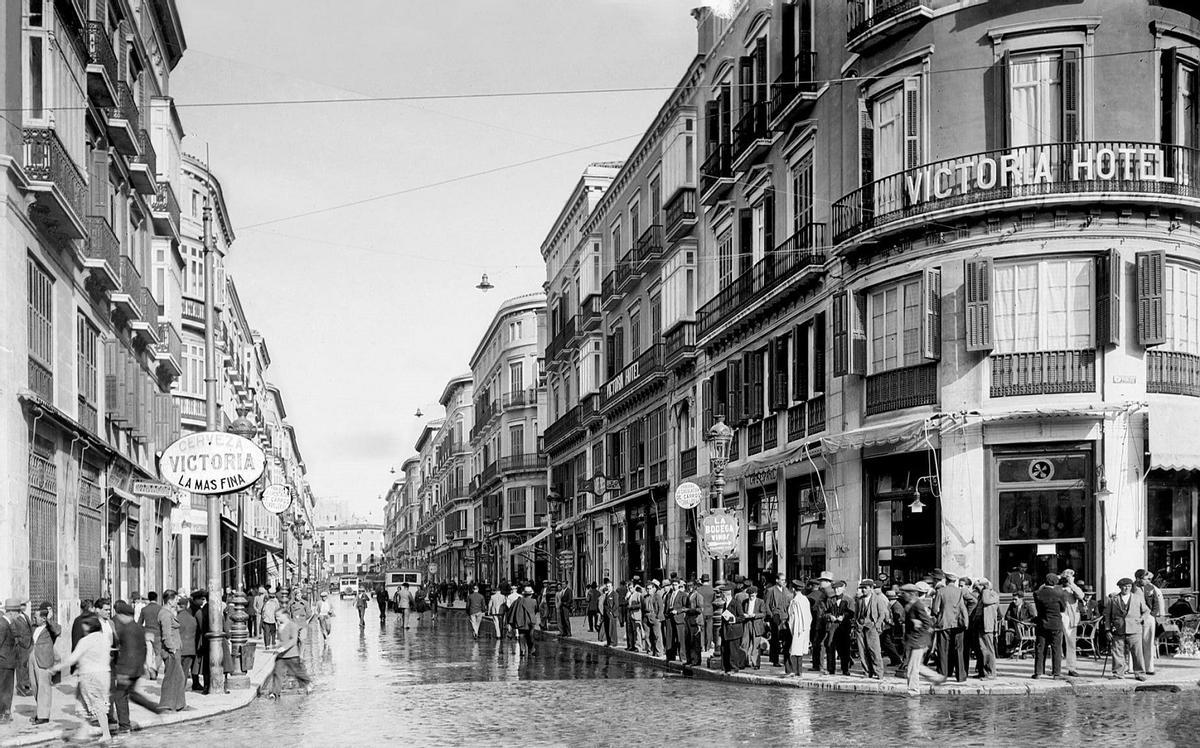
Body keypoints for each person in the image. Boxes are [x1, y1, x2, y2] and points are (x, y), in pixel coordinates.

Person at [52, 606, 112, 743]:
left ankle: (106, 734)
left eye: (85, 625)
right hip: (104, 674)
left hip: (90, 676)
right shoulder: (104, 638)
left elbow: (72, 658)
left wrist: (56, 667)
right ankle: (83, 732)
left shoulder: (86, 641)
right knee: (83, 703)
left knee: (96, 705)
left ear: (89, 626)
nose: (83, 628)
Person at [110, 600, 158, 733]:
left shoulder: (127, 630)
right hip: (136, 669)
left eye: (120, 615)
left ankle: (124, 726)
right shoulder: (138, 628)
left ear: (125, 615)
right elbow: (143, 649)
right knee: (131, 694)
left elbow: (129, 652)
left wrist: (123, 671)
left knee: (120, 696)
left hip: (127, 669)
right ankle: (155, 708)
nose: (118, 618)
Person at [899, 584, 947, 696]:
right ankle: (937, 678)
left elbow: (927, 623)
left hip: (918, 641)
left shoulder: (918, 605)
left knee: (912, 668)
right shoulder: (911, 604)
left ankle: (913, 692)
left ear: (911, 594)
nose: (902, 595)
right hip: (913, 640)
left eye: (904, 593)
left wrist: (917, 626)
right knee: (915, 666)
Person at [1105, 577, 1150, 681]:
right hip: (1118, 629)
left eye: (1129, 586)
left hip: (1134, 629)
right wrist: (1107, 630)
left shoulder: (1137, 598)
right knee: (1117, 652)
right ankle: (1118, 674)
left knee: (1137, 652)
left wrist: (1142, 619)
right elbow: (1107, 616)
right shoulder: (1113, 600)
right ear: (1120, 587)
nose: (1126, 588)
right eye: (1124, 586)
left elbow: (1146, 611)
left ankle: (1139, 673)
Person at [930, 570, 968, 683]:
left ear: (946, 580)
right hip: (958, 624)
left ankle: (943, 675)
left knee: (943, 650)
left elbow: (935, 609)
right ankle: (961, 676)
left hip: (944, 623)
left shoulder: (941, 591)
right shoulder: (959, 592)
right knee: (959, 650)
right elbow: (962, 607)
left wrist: (938, 614)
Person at [269, 609, 313, 699]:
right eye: (276, 616)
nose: (276, 618)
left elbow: (293, 640)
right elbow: (281, 640)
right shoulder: (280, 625)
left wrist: (283, 648)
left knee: (297, 673)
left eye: (278, 616)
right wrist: (277, 648)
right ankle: (275, 693)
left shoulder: (292, 625)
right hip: (281, 656)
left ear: (285, 615)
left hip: (291, 655)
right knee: (277, 673)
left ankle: (307, 683)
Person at [26, 602, 58, 724]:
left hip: (44, 659)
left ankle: (43, 716)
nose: (34, 619)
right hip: (33, 657)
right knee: (35, 687)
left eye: (36, 617)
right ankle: (40, 711)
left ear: (44, 618)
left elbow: (57, 630)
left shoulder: (51, 628)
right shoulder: (35, 627)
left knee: (44, 687)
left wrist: (49, 620)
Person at [1033, 573, 1067, 679]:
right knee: (1056, 649)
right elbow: (1063, 608)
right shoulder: (1059, 594)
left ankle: (1038, 672)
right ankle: (1056, 673)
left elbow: (1038, 607)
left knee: (1040, 648)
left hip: (1042, 623)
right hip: (1056, 624)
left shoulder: (1037, 593)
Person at [157, 590, 186, 712]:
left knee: (179, 677)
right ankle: (166, 704)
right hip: (171, 651)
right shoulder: (165, 614)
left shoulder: (168, 613)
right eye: (175, 600)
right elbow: (166, 635)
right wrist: (172, 649)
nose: (177, 602)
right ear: (170, 601)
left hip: (174, 649)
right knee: (172, 677)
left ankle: (178, 704)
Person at [855, 579, 890, 680]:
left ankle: (879, 673)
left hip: (872, 627)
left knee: (874, 650)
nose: (863, 590)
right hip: (861, 627)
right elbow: (856, 614)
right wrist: (857, 624)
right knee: (862, 651)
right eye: (862, 588)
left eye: (865, 588)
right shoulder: (860, 600)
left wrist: (877, 624)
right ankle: (867, 672)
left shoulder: (878, 599)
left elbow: (882, 614)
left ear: (871, 588)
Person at [820, 581, 853, 676]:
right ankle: (830, 669)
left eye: (839, 588)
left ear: (844, 589)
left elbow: (852, 613)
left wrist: (844, 617)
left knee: (845, 648)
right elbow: (823, 613)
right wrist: (830, 616)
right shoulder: (830, 600)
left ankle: (845, 669)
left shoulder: (849, 600)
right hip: (832, 626)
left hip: (844, 626)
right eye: (835, 589)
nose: (836, 590)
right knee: (830, 646)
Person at [1135, 569, 1164, 675]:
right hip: (1136, 618)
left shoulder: (1150, 587)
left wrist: (1152, 615)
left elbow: (1156, 602)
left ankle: (1149, 668)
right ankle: (1134, 668)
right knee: (1135, 644)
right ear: (1138, 579)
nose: (1148, 580)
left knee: (1149, 642)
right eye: (1146, 579)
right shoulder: (1132, 588)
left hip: (1148, 617)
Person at [0, 599, 25, 724]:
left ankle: (5, 712)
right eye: (17, 612)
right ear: (11, 612)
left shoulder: (8, 623)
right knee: (4, 690)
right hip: (4, 663)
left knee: (7, 689)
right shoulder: (3, 624)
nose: (18, 615)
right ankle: (3, 714)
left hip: (8, 663)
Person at [969, 578, 1000, 679]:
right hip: (980, 626)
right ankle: (983, 672)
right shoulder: (982, 596)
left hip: (987, 626)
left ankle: (991, 673)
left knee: (988, 650)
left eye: (978, 587)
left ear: (984, 586)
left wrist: (986, 589)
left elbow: (986, 601)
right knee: (982, 650)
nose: (977, 590)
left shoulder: (992, 594)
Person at [1060, 570, 1085, 677]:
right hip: (1058, 616)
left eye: (1070, 576)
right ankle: (1056, 667)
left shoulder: (1073, 588)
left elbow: (1081, 595)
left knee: (1071, 643)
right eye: (1066, 576)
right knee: (1056, 643)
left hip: (1070, 617)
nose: (1067, 578)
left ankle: (1071, 667)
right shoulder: (1057, 587)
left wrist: (1072, 584)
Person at [764, 574, 793, 668]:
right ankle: (775, 660)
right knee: (775, 639)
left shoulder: (786, 590)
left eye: (784, 580)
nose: (783, 582)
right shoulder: (770, 590)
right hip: (775, 617)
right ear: (777, 580)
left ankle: (786, 659)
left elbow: (789, 602)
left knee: (786, 638)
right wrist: (771, 616)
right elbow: (767, 605)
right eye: (782, 580)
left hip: (785, 617)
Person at [785, 580, 813, 677]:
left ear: (793, 589)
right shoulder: (805, 599)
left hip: (797, 627)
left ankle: (792, 670)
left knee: (793, 648)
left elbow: (793, 616)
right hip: (804, 627)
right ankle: (799, 671)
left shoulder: (795, 601)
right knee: (799, 649)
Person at [717, 584, 746, 674]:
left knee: (733, 651)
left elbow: (742, 617)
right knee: (725, 650)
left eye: (722, 594)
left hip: (734, 632)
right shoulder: (726, 604)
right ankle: (727, 668)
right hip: (726, 631)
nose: (721, 596)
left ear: (725, 594)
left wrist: (734, 619)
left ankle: (734, 668)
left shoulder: (736, 603)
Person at [507, 587, 540, 657]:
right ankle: (531, 649)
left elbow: (512, 609)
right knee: (530, 636)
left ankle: (522, 650)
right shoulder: (534, 601)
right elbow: (536, 610)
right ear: (531, 594)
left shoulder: (518, 601)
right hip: (531, 621)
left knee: (522, 635)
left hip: (521, 620)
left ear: (524, 594)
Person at [177, 595, 199, 693]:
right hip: (191, 649)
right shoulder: (192, 619)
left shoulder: (176, 618)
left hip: (180, 648)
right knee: (185, 671)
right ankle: (182, 688)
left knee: (177, 671)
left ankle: (178, 689)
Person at [740, 586, 767, 669]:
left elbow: (763, 613)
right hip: (747, 623)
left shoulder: (760, 602)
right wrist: (744, 615)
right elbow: (741, 612)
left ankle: (755, 663)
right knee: (745, 643)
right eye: (750, 595)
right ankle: (744, 662)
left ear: (756, 594)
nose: (751, 596)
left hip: (756, 624)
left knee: (756, 645)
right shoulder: (745, 602)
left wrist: (755, 615)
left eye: (753, 595)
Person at [138, 592, 162, 677]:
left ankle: (149, 669)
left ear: (148, 598)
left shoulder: (144, 609)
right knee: (159, 653)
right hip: (158, 633)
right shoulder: (160, 609)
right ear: (156, 598)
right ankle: (154, 668)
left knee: (148, 653)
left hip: (147, 632)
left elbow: (139, 623)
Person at [11, 600, 32, 699]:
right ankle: (21, 688)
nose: (24, 607)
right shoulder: (15, 618)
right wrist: (19, 641)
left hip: (29, 644)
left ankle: (26, 686)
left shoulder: (25, 616)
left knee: (26, 666)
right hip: (21, 646)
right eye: (22, 605)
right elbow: (14, 632)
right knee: (21, 666)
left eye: (25, 605)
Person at [683, 580, 704, 666]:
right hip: (688, 620)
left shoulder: (698, 596)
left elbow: (700, 609)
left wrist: (688, 610)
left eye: (691, 586)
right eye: (688, 586)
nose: (689, 587)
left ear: (695, 586)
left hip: (695, 621)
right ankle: (690, 659)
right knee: (688, 641)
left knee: (695, 642)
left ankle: (696, 660)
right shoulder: (688, 595)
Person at [643, 580, 664, 657]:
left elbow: (661, 607)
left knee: (657, 635)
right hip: (646, 616)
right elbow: (643, 608)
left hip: (654, 616)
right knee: (647, 635)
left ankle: (659, 651)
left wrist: (659, 617)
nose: (649, 590)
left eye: (650, 588)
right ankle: (650, 650)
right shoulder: (645, 597)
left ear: (653, 588)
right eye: (647, 589)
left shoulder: (657, 596)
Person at [696, 575, 715, 655]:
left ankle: (702, 646)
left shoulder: (698, 590)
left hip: (701, 611)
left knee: (702, 629)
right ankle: (708, 646)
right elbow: (714, 601)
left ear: (702, 581)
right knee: (709, 629)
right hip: (710, 611)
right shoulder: (712, 590)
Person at [625, 582, 644, 652]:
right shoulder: (630, 595)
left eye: (631, 588)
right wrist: (627, 597)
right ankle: (631, 645)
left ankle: (638, 646)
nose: (630, 589)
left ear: (634, 588)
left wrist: (632, 607)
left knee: (637, 632)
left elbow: (640, 605)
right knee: (630, 631)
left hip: (636, 615)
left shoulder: (638, 594)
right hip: (630, 615)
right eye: (628, 588)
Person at [599, 581, 618, 647]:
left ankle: (613, 642)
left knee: (612, 629)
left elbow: (616, 604)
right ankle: (609, 642)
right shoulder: (607, 594)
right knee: (607, 628)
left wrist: (612, 611)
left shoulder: (614, 594)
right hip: (606, 614)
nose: (608, 587)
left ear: (612, 586)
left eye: (609, 586)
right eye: (607, 586)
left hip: (611, 614)